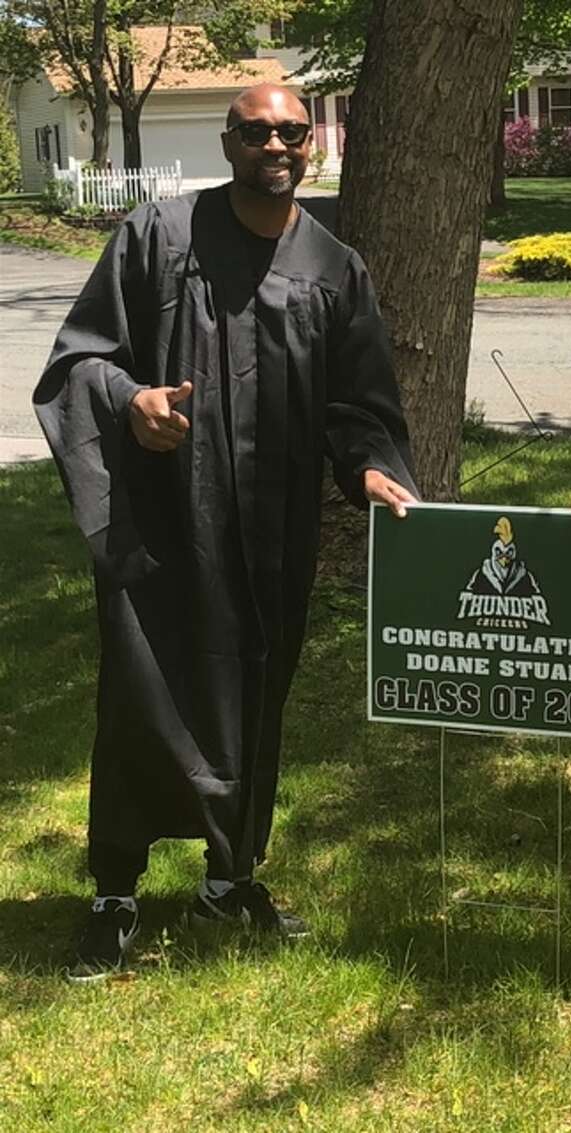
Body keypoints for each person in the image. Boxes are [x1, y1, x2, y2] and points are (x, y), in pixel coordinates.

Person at [34, 83, 418, 982]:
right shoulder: (158, 235)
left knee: (258, 692)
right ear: (228, 140)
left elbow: (360, 402)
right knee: (140, 692)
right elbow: (81, 357)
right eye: (257, 132)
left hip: (272, 530)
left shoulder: (334, 267)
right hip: (162, 519)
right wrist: (131, 404)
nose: (277, 145)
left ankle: (230, 876)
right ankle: (115, 893)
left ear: (309, 144)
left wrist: (368, 465)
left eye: (292, 131)